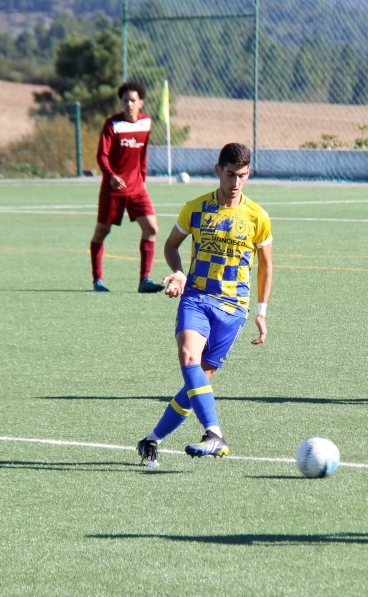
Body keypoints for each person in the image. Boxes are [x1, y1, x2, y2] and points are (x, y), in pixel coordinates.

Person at [136, 142, 273, 466]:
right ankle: (214, 433)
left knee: (197, 383)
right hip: (197, 298)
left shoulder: (258, 216)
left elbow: (267, 265)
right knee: (188, 358)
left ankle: (151, 441)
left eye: (241, 175)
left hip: (234, 308)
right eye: (229, 174)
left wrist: (261, 311)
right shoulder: (195, 208)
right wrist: (179, 273)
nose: (235, 182)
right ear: (217, 171)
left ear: (248, 173)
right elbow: (170, 246)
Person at [90, 81, 165, 293]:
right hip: (113, 189)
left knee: (151, 228)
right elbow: (101, 156)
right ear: (121, 103)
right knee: (102, 231)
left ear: (141, 102)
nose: (129, 104)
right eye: (125, 100)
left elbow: (142, 155)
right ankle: (98, 281)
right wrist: (111, 176)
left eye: (133, 100)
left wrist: (143, 177)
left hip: (137, 188)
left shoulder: (146, 123)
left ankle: (145, 280)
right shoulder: (112, 125)